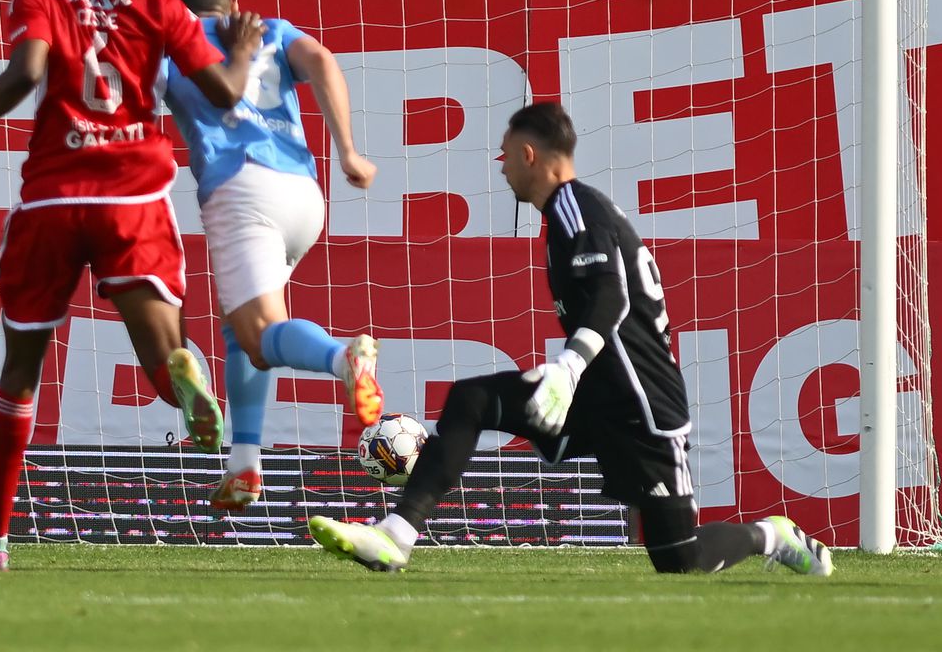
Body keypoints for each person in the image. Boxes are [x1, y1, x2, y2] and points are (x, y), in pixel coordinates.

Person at [309, 101, 834, 577]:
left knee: (681, 559)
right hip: (591, 393)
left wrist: (569, 366)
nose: (501, 166)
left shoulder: (573, 206)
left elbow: (613, 297)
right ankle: (395, 536)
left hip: (640, 404)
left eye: (505, 155)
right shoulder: (568, 214)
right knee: (470, 400)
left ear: (529, 154)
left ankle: (773, 535)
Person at [0, 0, 264, 570]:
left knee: (20, 370)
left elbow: (27, 72)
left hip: (54, 200)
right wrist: (239, 51)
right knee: (160, 352)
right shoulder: (157, 1)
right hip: (134, 196)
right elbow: (225, 95)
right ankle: (184, 382)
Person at [163, 0, 382, 512]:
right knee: (244, 331)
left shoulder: (172, 47)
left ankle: (342, 359)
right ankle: (245, 465)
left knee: (260, 334)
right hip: (304, 194)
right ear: (233, 0)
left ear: (176, 8)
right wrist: (349, 150)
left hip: (240, 190)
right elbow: (323, 61)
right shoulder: (274, 30)